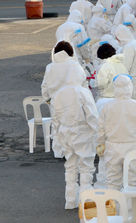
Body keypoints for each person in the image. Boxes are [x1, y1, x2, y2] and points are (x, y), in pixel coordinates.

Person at [96, 74, 136, 218]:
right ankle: (132, 214)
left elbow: (100, 127)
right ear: (130, 87)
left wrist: (100, 142)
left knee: (112, 182)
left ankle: (113, 215)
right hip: (133, 148)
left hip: (113, 147)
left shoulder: (107, 106)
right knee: (132, 182)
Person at [51, 64, 98, 210]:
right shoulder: (83, 92)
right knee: (86, 166)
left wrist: (57, 134)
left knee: (70, 166)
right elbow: (92, 115)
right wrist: (99, 133)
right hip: (82, 132)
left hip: (65, 132)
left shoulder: (59, 93)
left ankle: (70, 200)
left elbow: (55, 117)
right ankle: (86, 200)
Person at [114, 26, 136, 105]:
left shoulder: (129, 47)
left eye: (118, 38)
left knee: (134, 109)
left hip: (134, 82)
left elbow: (125, 67)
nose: (118, 41)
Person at [41, 41, 84, 106]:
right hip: (73, 103)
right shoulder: (74, 65)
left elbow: (44, 86)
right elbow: (82, 83)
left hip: (55, 103)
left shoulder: (49, 67)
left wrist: (47, 100)